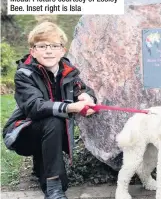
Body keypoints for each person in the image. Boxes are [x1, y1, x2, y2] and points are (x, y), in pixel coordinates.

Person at [2, 21, 97, 199]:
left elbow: (80, 88)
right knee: (52, 120)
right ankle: (54, 188)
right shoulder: (24, 75)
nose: (48, 50)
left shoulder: (68, 72)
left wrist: (86, 97)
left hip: (52, 134)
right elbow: (35, 107)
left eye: (54, 45)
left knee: (53, 123)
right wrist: (70, 107)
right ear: (33, 51)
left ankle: (41, 166)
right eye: (42, 46)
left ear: (62, 50)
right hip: (23, 133)